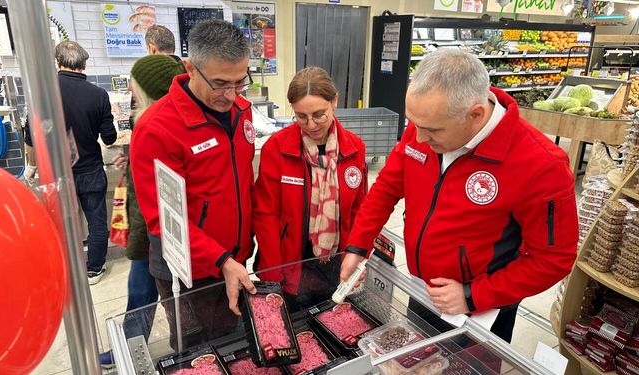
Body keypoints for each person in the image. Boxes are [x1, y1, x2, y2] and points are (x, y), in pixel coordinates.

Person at [340, 49, 578, 343]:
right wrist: (357, 246)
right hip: (424, 288)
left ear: (475, 114)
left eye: (431, 130)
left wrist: (471, 295)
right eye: (414, 124)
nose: (419, 138)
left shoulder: (541, 164)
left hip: (482, 307)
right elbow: (386, 188)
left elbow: (553, 259)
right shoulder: (424, 128)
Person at [130, 19, 256, 349]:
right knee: (200, 352)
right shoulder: (158, 129)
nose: (230, 95)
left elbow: (242, 181)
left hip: (236, 258)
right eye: (219, 84)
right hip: (188, 271)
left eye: (239, 82)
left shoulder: (242, 109)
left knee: (233, 343)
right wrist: (221, 260)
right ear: (190, 68)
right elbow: (162, 219)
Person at [253, 67, 368, 310]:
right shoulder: (277, 148)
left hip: (336, 261)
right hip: (290, 263)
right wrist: (272, 273)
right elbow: (265, 215)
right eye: (301, 116)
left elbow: (360, 211)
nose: (311, 124)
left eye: (319, 114)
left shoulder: (354, 148)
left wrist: (357, 257)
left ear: (334, 101)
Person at [100, 55, 185, 368]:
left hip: (161, 231)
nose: (132, 91)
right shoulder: (146, 124)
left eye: (136, 86)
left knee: (152, 293)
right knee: (141, 292)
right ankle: (130, 347)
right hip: (148, 228)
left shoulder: (161, 127)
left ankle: (183, 354)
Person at [24, 41, 116, 285]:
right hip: (92, 170)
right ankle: (94, 270)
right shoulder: (99, 94)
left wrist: (31, 168)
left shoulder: (43, 95)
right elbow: (110, 137)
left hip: (55, 173)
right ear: (84, 63)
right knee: (97, 221)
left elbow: (30, 137)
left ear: (58, 62)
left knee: (61, 222)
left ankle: (65, 269)